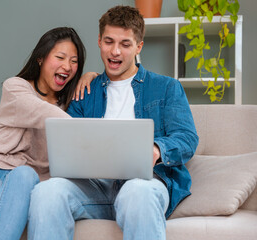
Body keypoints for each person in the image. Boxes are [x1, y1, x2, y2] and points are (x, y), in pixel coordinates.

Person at [27, 6, 199, 240]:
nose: (115, 51)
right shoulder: (85, 92)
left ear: (139, 46)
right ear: (99, 41)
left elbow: (187, 139)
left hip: (142, 184)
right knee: (46, 191)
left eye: (125, 44)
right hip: (93, 188)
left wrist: (156, 149)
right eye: (109, 41)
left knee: (138, 192)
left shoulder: (167, 88)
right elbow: (69, 140)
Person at [0, 27, 90, 240]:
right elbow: (43, 112)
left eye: (74, 61)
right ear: (41, 59)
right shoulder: (16, 88)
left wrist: (91, 78)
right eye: (60, 57)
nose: (67, 66)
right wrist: (83, 130)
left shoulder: (72, 105)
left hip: (26, 183)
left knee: (24, 177)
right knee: (17, 199)